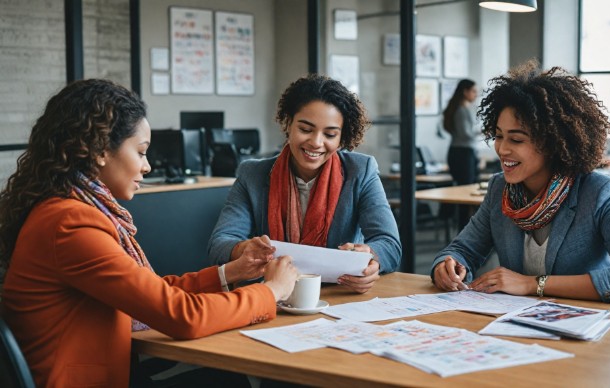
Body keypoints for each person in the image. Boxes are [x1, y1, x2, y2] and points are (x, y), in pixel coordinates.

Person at [0, 79, 298, 387]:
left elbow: (154, 292)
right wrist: (272, 291)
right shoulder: (71, 225)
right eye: (141, 152)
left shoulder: (66, 209)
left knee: (224, 379)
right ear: (102, 151)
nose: (148, 166)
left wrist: (228, 272)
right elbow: (183, 316)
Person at [431, 60, 610, 304]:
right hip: (517, 328)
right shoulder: (501, 190)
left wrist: (532, 284)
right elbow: (462, 251)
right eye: (498, 136)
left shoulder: (600, 193)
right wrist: (447, 267)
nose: (502, 149)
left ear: (552, 143)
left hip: (586, 329)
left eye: (516, 140)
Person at [208, 74, 402, 294]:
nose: (316, 143)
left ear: (341, 138)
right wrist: (244, 248)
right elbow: (219, 244)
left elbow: (389, 244)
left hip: (338, 295)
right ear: (288, 123)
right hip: (273, 294)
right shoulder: (253, 174)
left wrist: (370, 257)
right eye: (306, 130)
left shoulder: (361, 171)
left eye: (330, 134)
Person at [442, 79, 480, 229]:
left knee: (465, 191)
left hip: (459, 152)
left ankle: (464, 228)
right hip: (463, 154)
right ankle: (464, 229)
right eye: (473, 91)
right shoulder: (462, 110)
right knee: (466, 192)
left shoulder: (459, 108)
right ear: (465, 91)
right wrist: (483, 132)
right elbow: (466, 134)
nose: (476, 95)